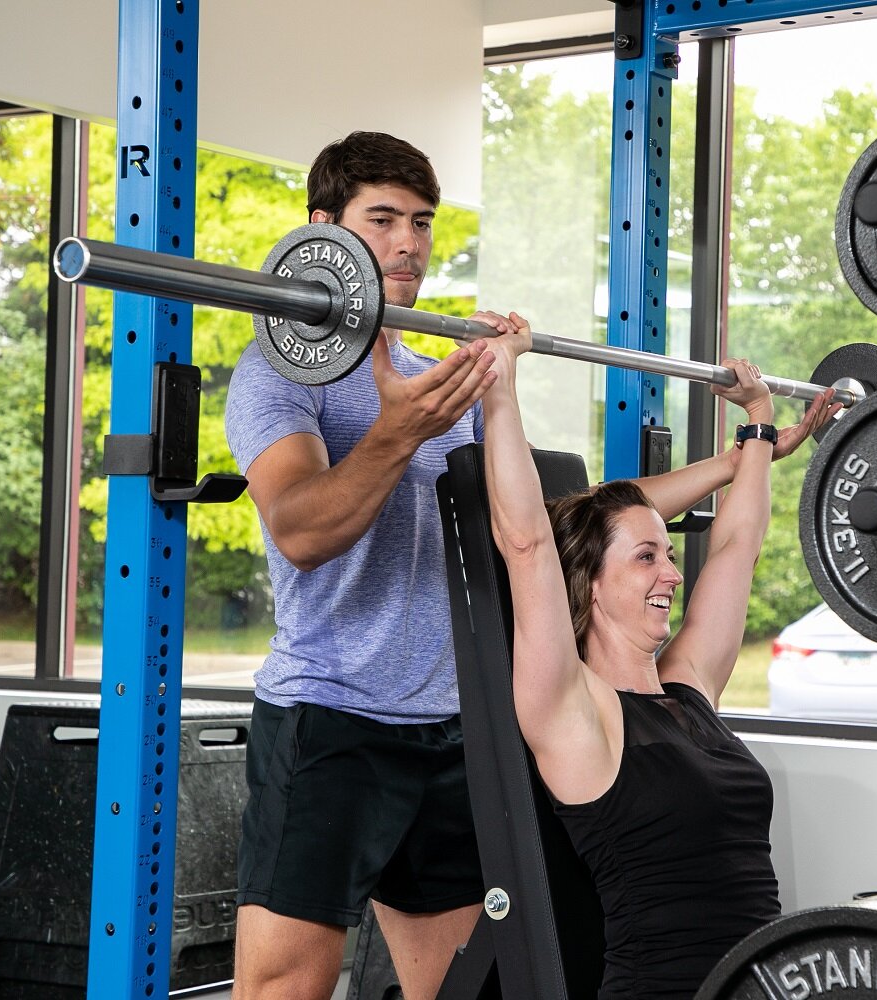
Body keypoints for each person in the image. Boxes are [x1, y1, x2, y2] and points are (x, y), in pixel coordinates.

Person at [224, 130, 829, 1000]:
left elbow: (555, 522)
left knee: (468, 987)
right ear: (323, 228)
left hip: (453, 730)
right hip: (333, 717)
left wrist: (749, 455)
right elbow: (299, 528)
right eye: (383, 219)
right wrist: (400, 432)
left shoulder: (442, 377)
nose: (407, 243)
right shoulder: (281, 378)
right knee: (286, 988)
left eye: (422, 223)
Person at [477, 323, 841, 1000]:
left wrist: (759, 425)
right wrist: (500, 384)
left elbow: (737, 546)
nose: (671, 574)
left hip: (759, 986)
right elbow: (526, 542)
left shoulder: (689, 686)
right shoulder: (575, 712)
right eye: (647, 557)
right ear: (586, 581)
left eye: (669, 554)